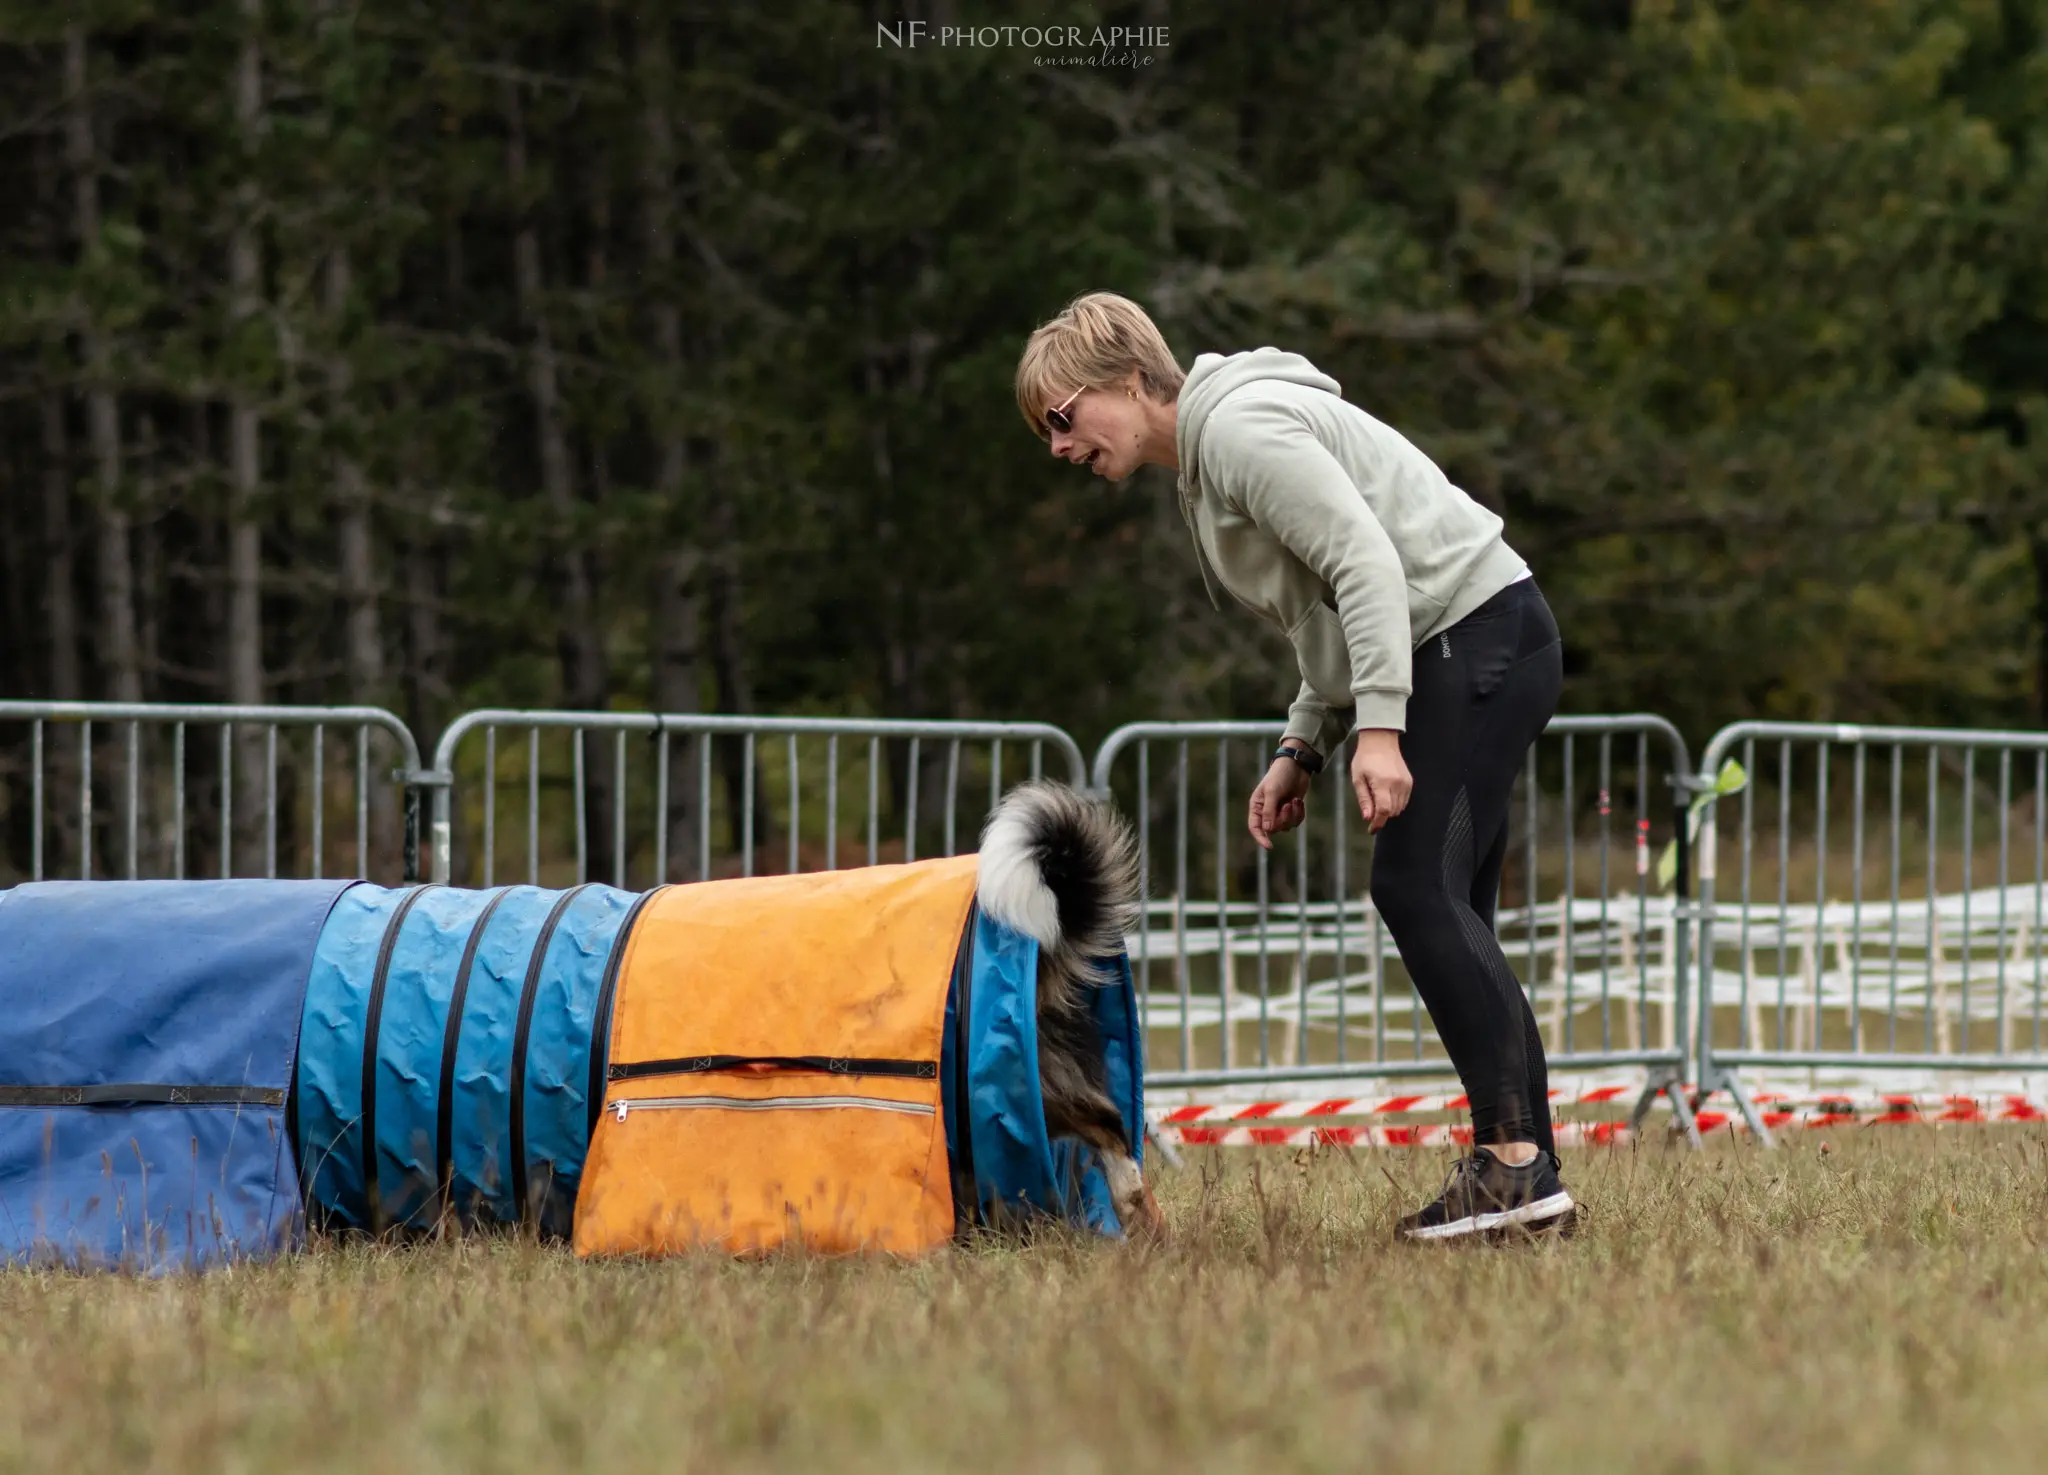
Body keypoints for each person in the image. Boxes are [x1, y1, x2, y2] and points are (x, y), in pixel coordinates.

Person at [1015, 291, 1573, 1241]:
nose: (1061, 448)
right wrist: (1302, 744)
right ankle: (1525, 1170)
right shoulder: (1208, 461)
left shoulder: (1236, 432)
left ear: (1130, 379)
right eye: (1047, 434)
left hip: (1473, 636)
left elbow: (1367, 565)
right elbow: (1324, 611)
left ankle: (1514, 1167)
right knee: (1452, 905)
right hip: (1475, 637)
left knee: (1414, 887)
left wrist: (1383, 732)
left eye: (1063, 418)